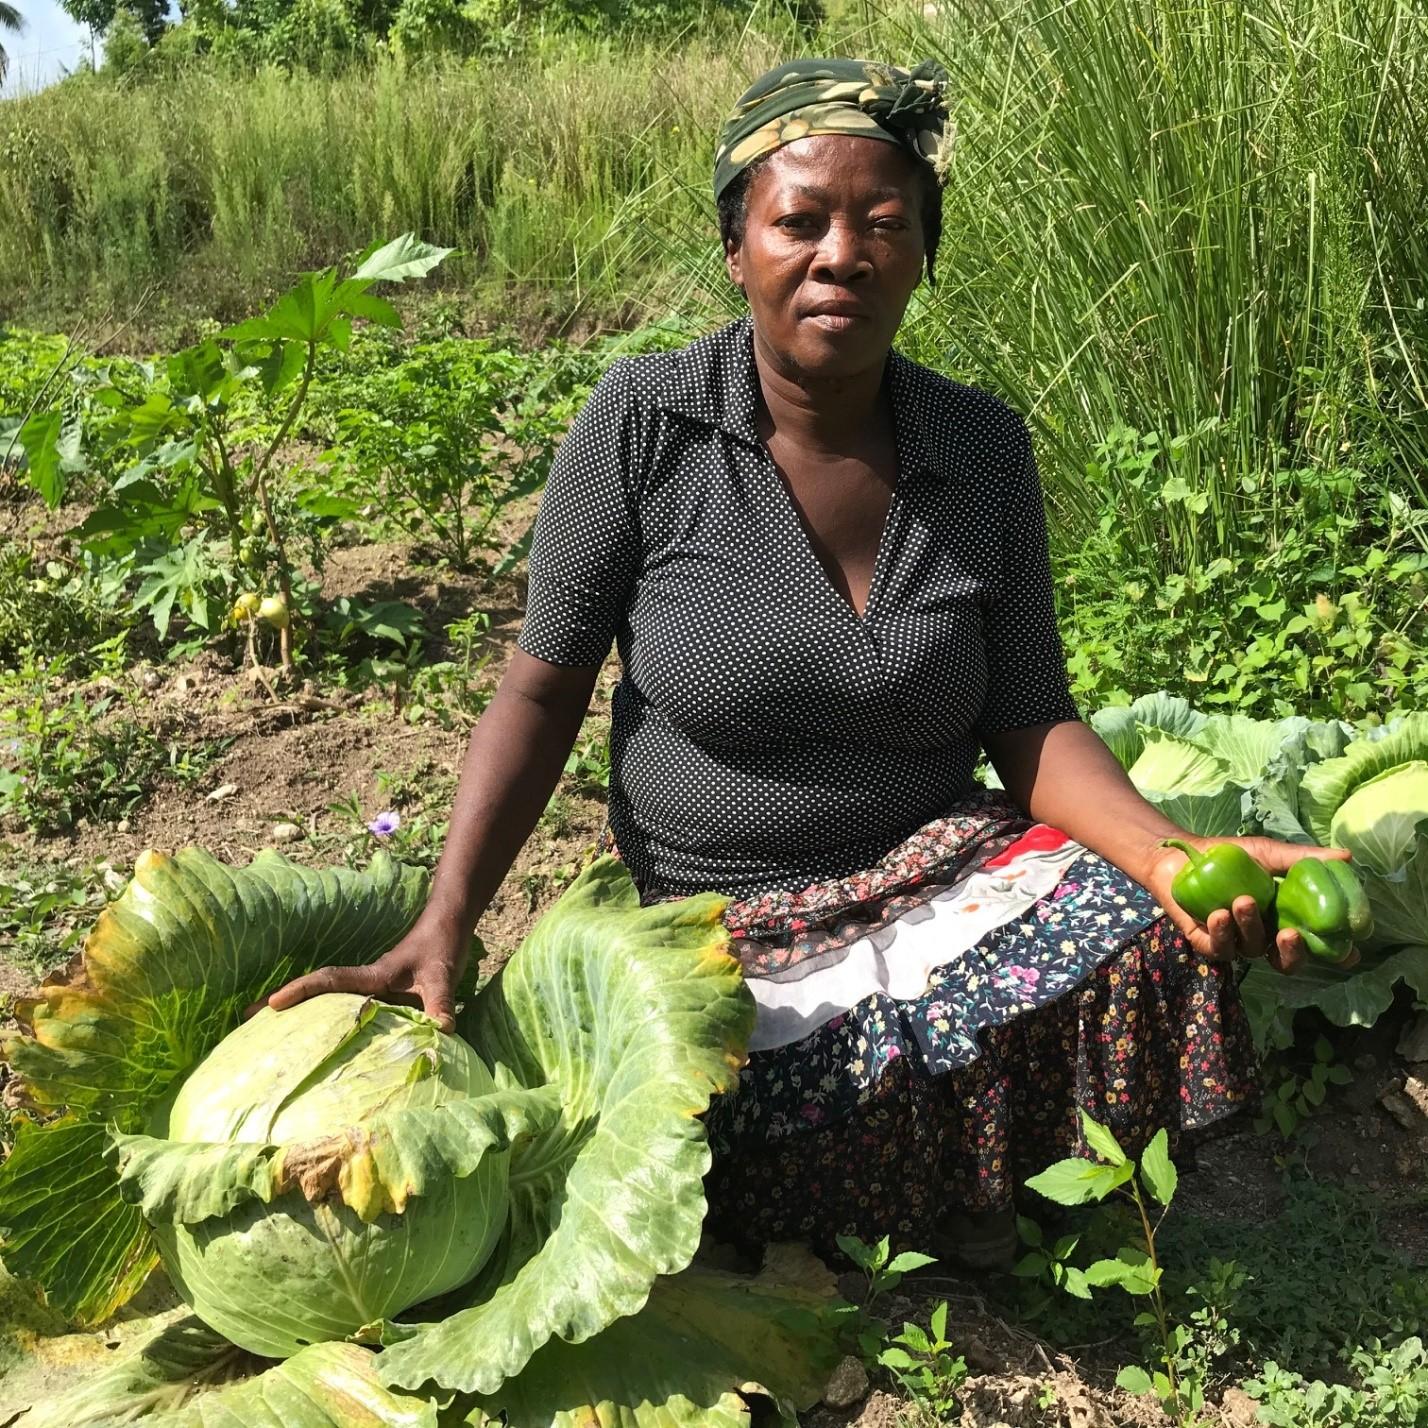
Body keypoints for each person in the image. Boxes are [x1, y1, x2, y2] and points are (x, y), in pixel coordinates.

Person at [263, 58, 1356, 1267]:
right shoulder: (647, 422)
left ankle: (956, 1179)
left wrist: (1175, 858)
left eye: (886, 224)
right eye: (801, 221)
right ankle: (939, 1179)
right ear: (738, 248)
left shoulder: (978, 447)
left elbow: (1032, 720)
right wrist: (446, 918)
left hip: (937, 870)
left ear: (924, 255)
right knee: (744, 1079)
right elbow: (543, 685)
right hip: (730, 910)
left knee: (1150, 933)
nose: (843, 253)